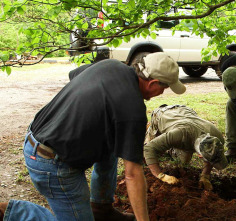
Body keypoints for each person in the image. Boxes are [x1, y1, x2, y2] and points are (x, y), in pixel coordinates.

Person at [0, 52, 186, 221]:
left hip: (38, 137)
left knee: (112, 140)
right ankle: (14, 212)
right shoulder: (133, 110)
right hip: (51, 165)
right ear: (153, 83)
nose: (163, 92)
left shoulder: (111, 65)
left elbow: (75, 75)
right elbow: (132, 174)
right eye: (165, 88)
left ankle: (101, 208)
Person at [144, 105, 228, 191]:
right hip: (161, 115)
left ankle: (169, 145)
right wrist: (161, 176)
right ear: (200, 155)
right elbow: (149, 148)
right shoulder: (180, 134)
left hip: (186, 112)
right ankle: (149, 128)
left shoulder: (217, 138)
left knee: (183, 162)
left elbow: (211, 156)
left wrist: (205, 176)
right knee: (147, 153)